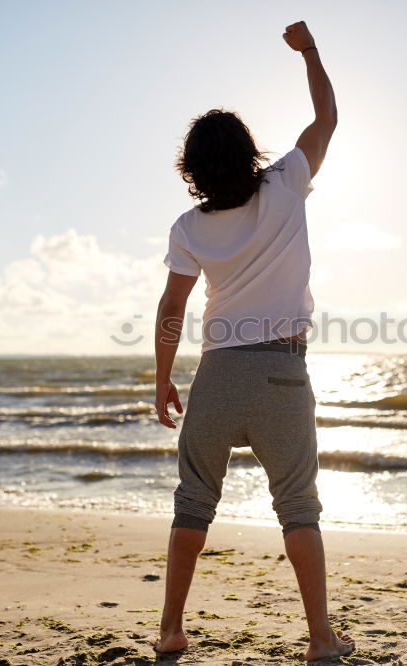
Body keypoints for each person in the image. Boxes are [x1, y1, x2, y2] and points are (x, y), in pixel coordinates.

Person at [151, 20, 354, 662]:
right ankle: (321, 640)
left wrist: (162, 378)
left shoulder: (189, 226)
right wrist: (310, 51)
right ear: (247, 153)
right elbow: (327, 116)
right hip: (282, 376)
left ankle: (170, 631)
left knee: (193, 507)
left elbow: (172, 307)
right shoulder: (287, 182)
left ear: (194, 170)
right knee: (299, 509)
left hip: (216, 377)